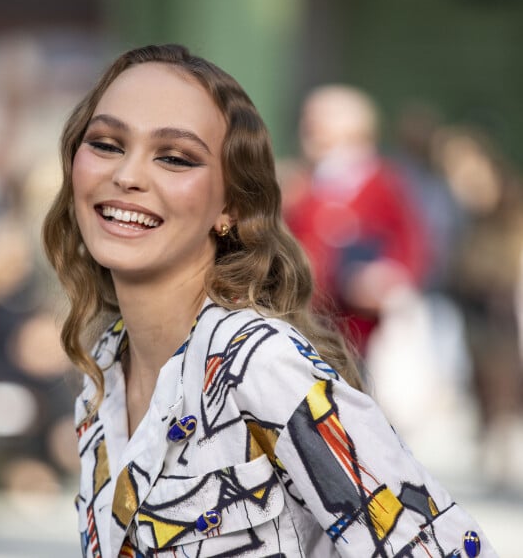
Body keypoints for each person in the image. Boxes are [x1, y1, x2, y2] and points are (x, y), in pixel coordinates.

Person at [43, 44, 495, 557]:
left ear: (231, 206)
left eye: (174, 157)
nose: (128, 175)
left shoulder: (260, 362)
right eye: (105, 144)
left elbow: (442, 549)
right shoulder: (104, 368)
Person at [284, 85, 431, 358]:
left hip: (360, 335)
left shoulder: (384, 183)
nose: (308, 128)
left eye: (319, 122)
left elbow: (412, 246)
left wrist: (383, 280)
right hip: (307, 322)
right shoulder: (304, 185)